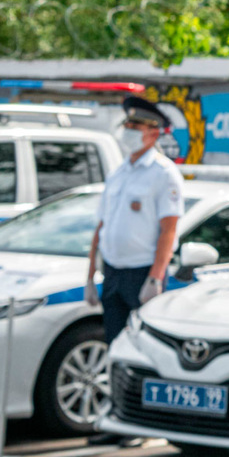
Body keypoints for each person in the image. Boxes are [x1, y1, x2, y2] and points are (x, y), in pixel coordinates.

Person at [83, 96, 183, 340]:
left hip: (141, 273)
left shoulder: (164, 173)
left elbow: (168, 230)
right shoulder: (119, 171)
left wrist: (155, 278)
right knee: (114, 342)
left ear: (153, 133)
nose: (128, 132)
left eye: (135, 128)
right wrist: (89, 277)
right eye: (127, 126)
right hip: (112, 271)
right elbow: (102, 225)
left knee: (143, 345)